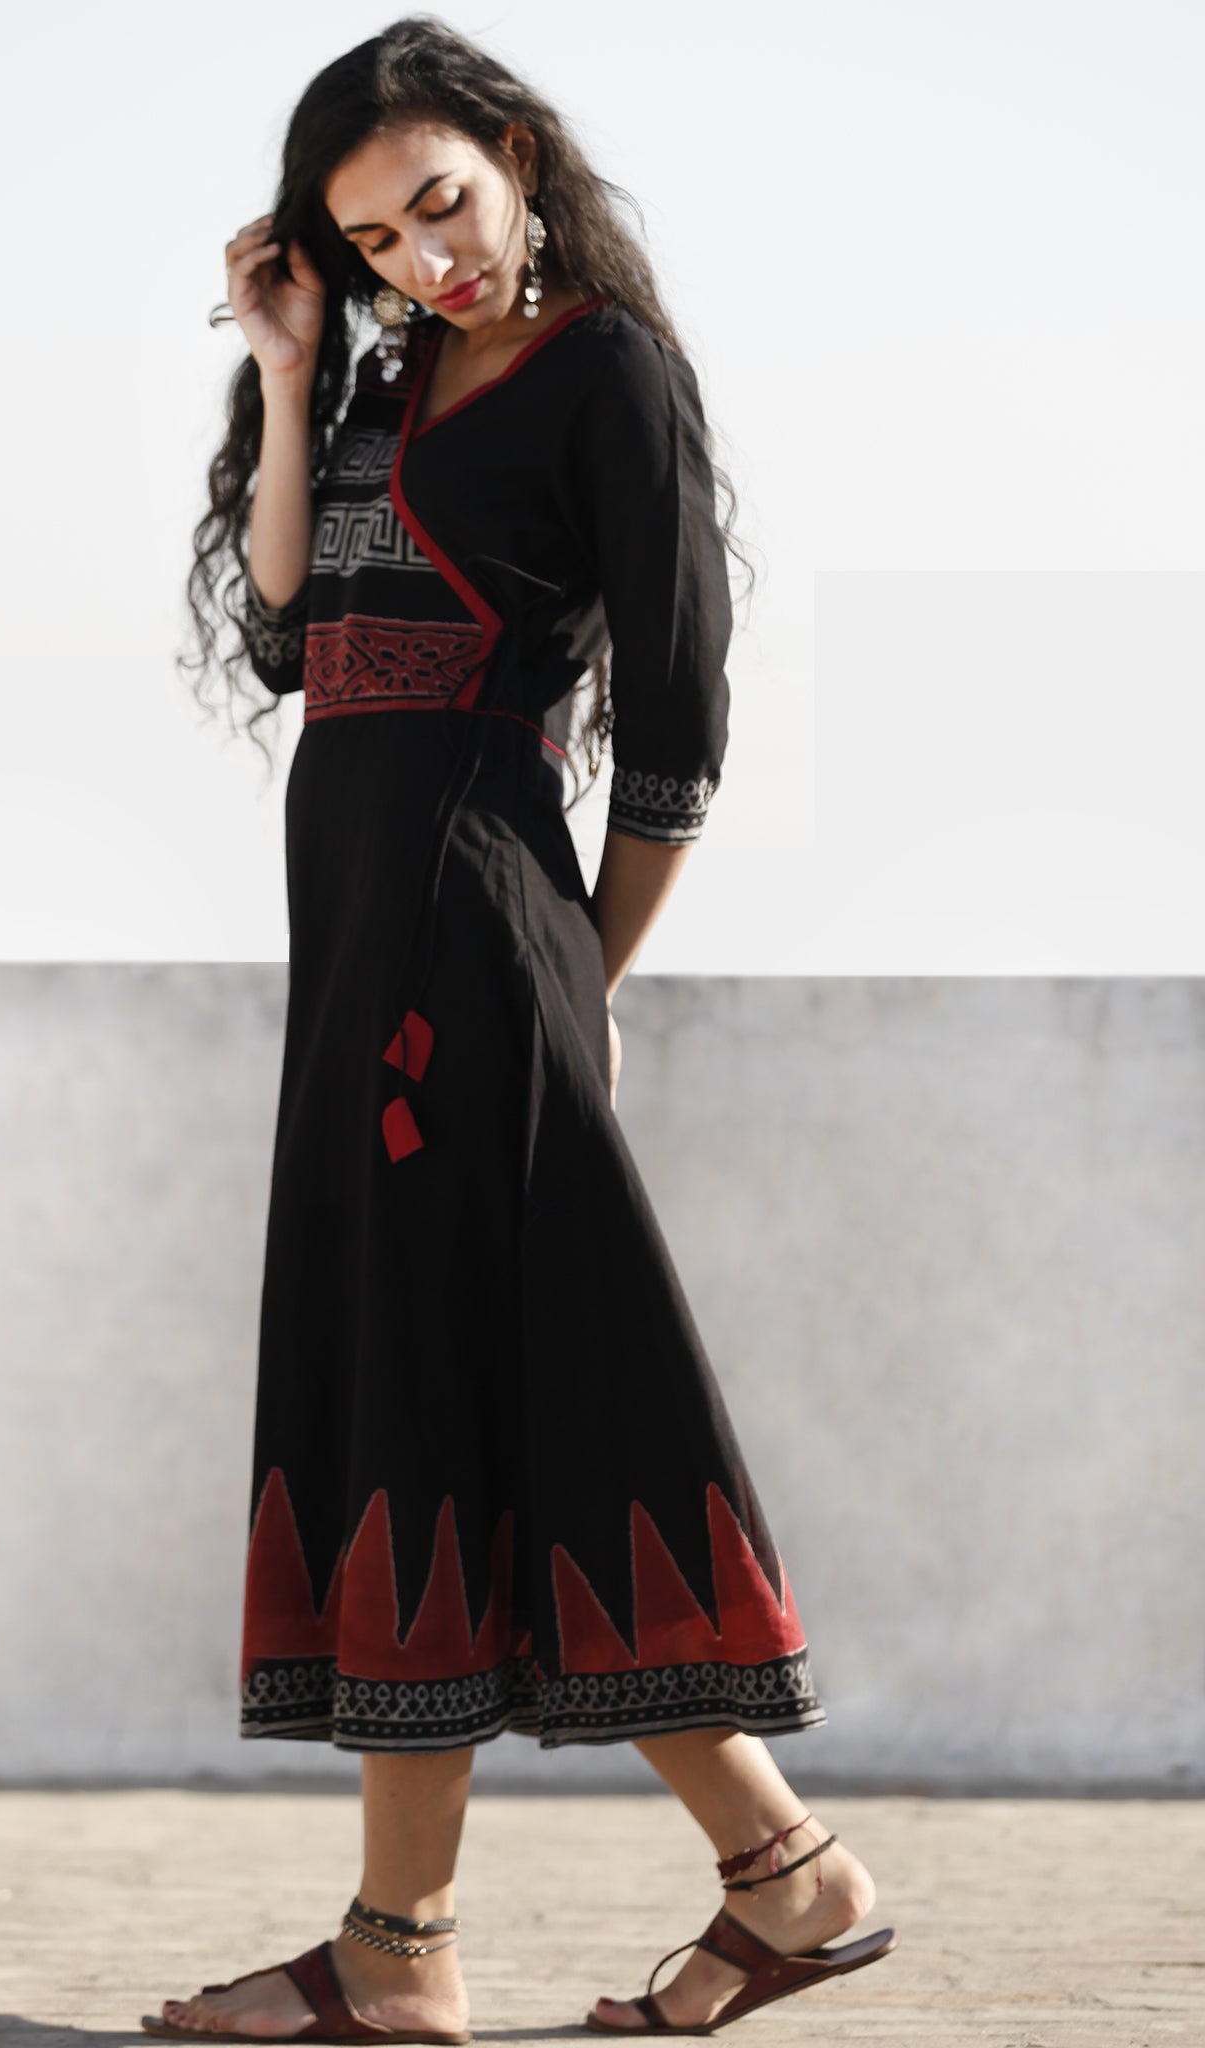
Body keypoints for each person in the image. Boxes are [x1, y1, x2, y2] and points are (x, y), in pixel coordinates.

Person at [152, 17, 896, 2043]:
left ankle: (405, 1953)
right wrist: (291, 367)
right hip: (364, 941)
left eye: (444, 204)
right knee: (474, 1397)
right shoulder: (387, 367)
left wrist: (591, 981)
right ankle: (776, 1875)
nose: (429, 255)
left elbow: (678, 728)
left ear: (517, 154)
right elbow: (292, 626)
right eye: (379, 238)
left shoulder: (608, 372)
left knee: (439, 1388)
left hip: (473, 930)